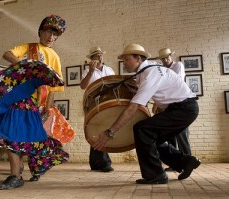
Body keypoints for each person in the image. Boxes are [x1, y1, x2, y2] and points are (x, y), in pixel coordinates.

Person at [93, 44, 201, 184]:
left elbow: (132, 108)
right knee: (151, 137)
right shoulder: (148, 70)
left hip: (184, 109)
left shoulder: (150, 74)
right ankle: (186, 162)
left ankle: (155, 175)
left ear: (138, 58)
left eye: (126, 59)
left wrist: (110, 132)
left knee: (142, 129)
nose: (124, 63)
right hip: (181, 109)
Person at [0, 14, 68, 189]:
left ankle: (27, 169)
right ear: (41, 31)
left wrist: (48, 107)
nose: (52, 37)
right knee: (12, 132)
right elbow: (7, 54)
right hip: (18, 98)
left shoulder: (55, 57)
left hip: (37, 103)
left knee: (30, 138)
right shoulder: (29, 47)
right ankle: (15, 174)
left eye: (55, 34)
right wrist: (28, 66)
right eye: (49, 31)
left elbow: (54, 86)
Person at [80, 47, 115, 172]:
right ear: (91, 59)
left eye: (100, 55)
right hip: (93, 104)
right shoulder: (87, 71)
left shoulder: (109, 69)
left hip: (107, 102)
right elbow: (83, 86)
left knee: (103, 129)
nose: (99, 57)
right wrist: (90, 72)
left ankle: (95, 163)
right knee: (95, 129)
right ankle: (104, 163)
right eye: (96, 55)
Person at [157, 48, 192, 157]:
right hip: (169, 103)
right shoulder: (161, 69)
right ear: (161, 60)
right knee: (170, 134)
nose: (166, 60)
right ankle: (175, 161)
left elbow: (176, 81)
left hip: (180, 102)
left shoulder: (178, 65)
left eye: (167, 57)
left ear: (171, 56)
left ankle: (188, 160)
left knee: (182, 133)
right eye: (163, 58)